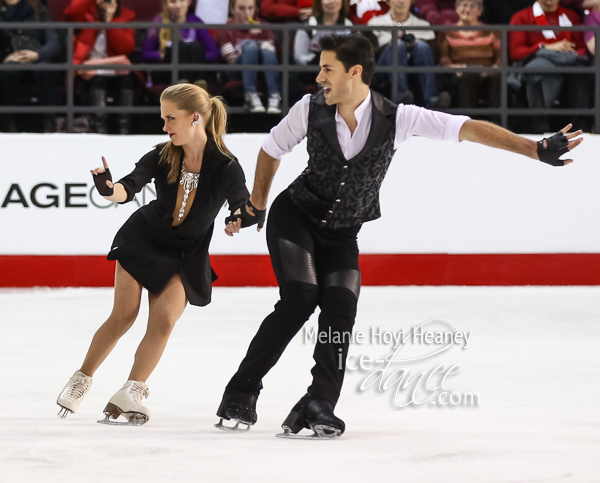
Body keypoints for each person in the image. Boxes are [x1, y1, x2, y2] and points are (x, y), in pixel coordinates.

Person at [215, 33, 583, 439]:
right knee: (300, 297)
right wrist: (258, 205)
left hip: (342, 232)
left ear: (354, 72)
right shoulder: (309, 109)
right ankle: (241, 391)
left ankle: (319, 402)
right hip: (295, 218)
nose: (319, 77)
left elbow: (468, 128)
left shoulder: (399, 118)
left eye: (327, 69)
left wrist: (533, 149)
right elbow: (271, 149)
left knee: (341, 309)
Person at [56, 82, 250, 425]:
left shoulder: (225, 165)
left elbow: (241, 203)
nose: (165, 126)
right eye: (163, 118)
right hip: (143, 240)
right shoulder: (162, 154)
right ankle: (81, 379)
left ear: (194, 118)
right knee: (124, 316)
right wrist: (107, 188)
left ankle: (131, 391)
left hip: (185, 253)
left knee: (163, 322)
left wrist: (239, 219)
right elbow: (127, 188)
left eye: (170, 118)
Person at [509, 0, 591, 133]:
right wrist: (545, 47)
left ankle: (580, 128)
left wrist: (569, 52)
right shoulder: (521, 17)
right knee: (534, 72)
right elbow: (516, 53)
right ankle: (538, 126)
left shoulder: (571, 16)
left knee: (582, 72)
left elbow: (582, 48)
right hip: (539, 61)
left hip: (570, 61)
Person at [64, 0, 136, 134]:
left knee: (126, 82)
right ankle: (99, 129)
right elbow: (71, 12)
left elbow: (125, 48)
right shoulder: (87, 15)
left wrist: (108, 23)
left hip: (116, 69)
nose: (106, 3)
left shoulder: (126, 16)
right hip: (91, 71)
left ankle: (124, 130)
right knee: (98, 82)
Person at [369, 0, 449, 108]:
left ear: (411, 2)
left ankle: (432, 99)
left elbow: (433, 55)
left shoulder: (423, 25)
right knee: (397, 45)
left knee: (422, 47)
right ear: (388, 2)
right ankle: (401, 95)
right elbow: (371, 53)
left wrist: (415, 44)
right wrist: (390, 43)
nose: (401, 1)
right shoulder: (375, 23)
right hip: (384, 68)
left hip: (415, 68)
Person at [0, 0, 60, 133]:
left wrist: (37, 55)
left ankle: (49, 122)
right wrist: (5, 58)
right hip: (11, 58)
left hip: (38, 56)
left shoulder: (39, 10)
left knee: (44, 70)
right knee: (9, 71)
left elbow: (54, 43)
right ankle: (8, 123)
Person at [217, 0, 282, 114]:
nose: (247, 13)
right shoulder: (225, 28)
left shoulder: (264, 26)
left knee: (267, 50)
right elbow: (230, 58)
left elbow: (272, 55)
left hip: (263, 69)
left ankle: (274, 96)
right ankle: (250, 95)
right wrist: (251, 36)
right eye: (241, 8)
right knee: (251, 46)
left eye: (250, 8)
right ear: (232, 9)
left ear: (255, 9)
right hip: (236, 69)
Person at [438, 0, 500, 110]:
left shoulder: (493, 31)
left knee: (499, 75)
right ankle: (466, 120)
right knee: (469, 74)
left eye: (473, 6)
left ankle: (496, 121)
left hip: (487, 72)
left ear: (480, 11)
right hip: (460, 73)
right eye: (464, 5)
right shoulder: (446, 32)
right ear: (457, 8)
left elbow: (500, 59)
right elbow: (444, 60)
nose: (467, 9)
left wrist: (490, 70)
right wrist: (460, 68)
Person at [142, 0, 220, 88]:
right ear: (166, 4)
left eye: (182, 0)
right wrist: (163, 55)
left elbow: (213, 53)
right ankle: (181, 85)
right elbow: (146, 54)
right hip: (168, 71)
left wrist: (192, 55)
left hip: (194, 70)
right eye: (173, 2)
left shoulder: (196, 21)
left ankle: (198, 85)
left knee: (195, 46)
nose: (178, 5)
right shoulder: (158, 22)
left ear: (188, 2)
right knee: (179, 46)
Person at [294, 0, 353, 67]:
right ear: (319, 2)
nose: (331, 2)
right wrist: (318, 58)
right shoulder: (306, 27)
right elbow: (299, 58)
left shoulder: (350, 27)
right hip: (313, 73)